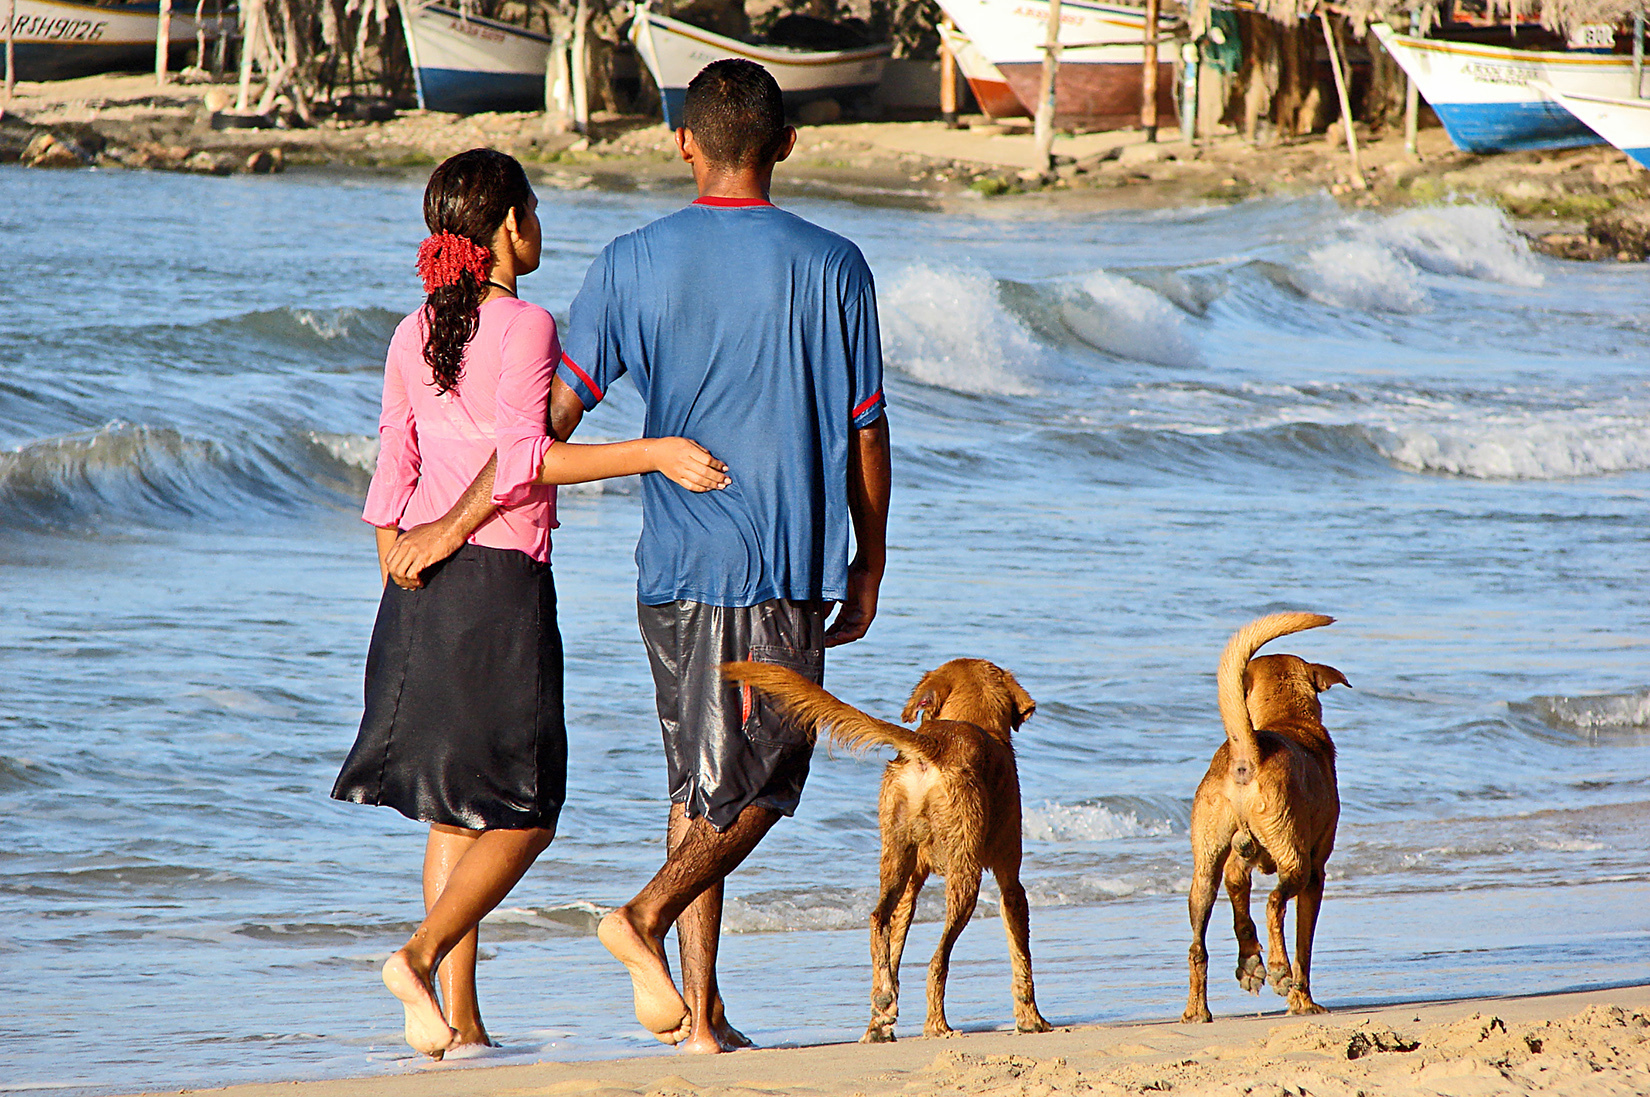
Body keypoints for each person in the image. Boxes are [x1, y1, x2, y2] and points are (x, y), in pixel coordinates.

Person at [383, 60, 891, 1054]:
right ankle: (644, 917)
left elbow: (546, 426)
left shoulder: (627, 261)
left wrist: (444, 527)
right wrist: (868, 560)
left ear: (684, 144)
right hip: (777, 560)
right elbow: (866, 430)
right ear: (786, 145)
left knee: (697, 784)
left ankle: (699, 1017)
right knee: (770, 777)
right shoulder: (837, 265)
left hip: (669, 568)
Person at [330, 148, 731, 1061]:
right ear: (509, 226)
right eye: (535, 209)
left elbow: (393, 460)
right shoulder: (527, 325)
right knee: (526, 811)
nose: (540, 223)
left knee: (449, 808)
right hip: (496, 586)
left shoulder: (410, 331)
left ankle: (459, 1027)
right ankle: (418, 959)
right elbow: (526, 461)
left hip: (413, 584)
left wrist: (395, 547)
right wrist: (655, 450)